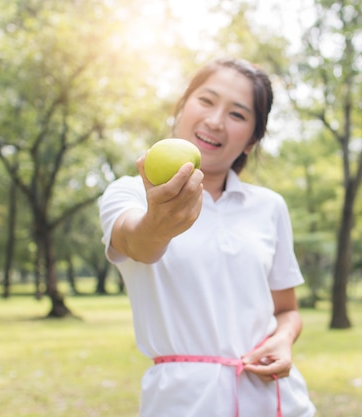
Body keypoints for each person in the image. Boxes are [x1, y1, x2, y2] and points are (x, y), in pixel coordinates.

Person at [99, 57, 316, 417]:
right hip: (182, 404)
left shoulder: (269, 206)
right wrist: (159, 221)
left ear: (251, 141)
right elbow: (138, 243)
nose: (215, 121)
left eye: (238, 114)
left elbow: (287, 309)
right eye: (206, 101)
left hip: (277, 400)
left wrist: (283, 339)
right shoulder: (129, 193)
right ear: (182, 107)